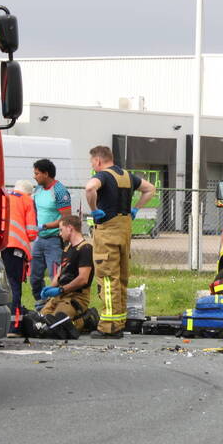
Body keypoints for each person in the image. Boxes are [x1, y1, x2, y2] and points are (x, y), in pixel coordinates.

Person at [84, 145, 156, 338]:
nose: (93, 166)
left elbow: (90, 188)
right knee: (121, 279)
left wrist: (93, 209)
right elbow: (150, 189)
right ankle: (118, 323)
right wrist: (136, 208)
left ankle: (108, 326)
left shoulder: (104, 176)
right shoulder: (127, 176)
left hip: (107, 231)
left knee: (107, 279)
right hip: (124, 232)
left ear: (98, 161)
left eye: (93, 163)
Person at [38, 214, 96, 335]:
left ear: (70, 228)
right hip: (61, 295)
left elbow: (83, 279)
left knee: (56, 325)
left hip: (76, 297)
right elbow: (60, 272)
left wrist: (61, 290)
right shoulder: (67, 249)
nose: (60, 234)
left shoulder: (85, 249)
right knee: (39, 322)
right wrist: (50, 288)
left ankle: (87, 319)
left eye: (61, 229)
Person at [31, 158, 71, 303]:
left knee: (56, 276)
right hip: (39, 239)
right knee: (35, 277)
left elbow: (66, 218)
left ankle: (56, 305)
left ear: (46, 174)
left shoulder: (60, 191)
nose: (34, 176)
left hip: (54, 240)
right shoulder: (38, 189)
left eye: (37, 173)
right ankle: (41, 304)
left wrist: (46, 226)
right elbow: (35, 210)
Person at [4, 179, 38, 334]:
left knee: (1, 286)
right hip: (16, 248)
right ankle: (13, 326)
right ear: (29, 192)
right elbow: (31, 232)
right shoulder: (27, 201)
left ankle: (1, 323)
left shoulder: (4, 196)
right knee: (14, 285)